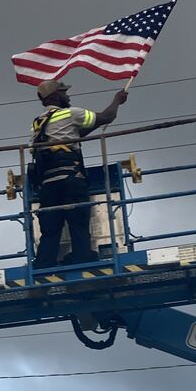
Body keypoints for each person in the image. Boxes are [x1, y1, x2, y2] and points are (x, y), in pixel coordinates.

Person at [30, 79, 128, 269]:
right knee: (79, 225)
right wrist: (117, 100)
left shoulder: (38, 123)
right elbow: (107, 117)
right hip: (71, 180)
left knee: (50, 230)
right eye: (64, 92)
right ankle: (82, 261)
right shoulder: (71, 113)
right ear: (55, 96)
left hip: (48, 185)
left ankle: (43, 266)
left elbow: (71, 136)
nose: (68, 95)